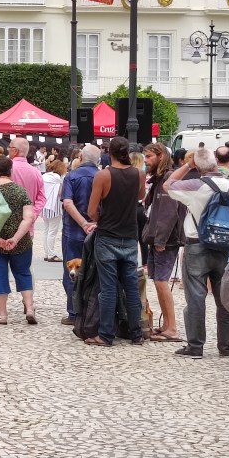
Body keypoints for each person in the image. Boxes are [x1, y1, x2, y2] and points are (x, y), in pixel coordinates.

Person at [164, 147, 229, 359]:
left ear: (198, 167)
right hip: (226, 245)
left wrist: (188, 165)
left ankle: (195, 345)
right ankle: (226, 346)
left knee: (196, 296)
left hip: (197, 244)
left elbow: (168, 184)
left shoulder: (196, 185)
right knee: (224, 297)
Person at [83, 136, 146, 347]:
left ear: (109, 152)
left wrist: (102, 219)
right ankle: (136, 332)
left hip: (108, 235)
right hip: (129, 236)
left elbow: (92, 211)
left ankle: (106, 334)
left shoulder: (103, 175)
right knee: (131, 287)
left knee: (108, 288)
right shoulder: (139, 174)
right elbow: (140, 197)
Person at [0, 155, 37, 325]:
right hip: (21, 241)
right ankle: (29, 308)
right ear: (11, 170)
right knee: (23, 272)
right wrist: (15, 238)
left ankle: (3, 314)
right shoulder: (20, 190)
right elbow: (28, 218)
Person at [142, 143, 185, 342]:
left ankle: (172, 328)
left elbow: (169, 212)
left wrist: (160, 239)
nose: (146, 160)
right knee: (159, 281)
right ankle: (167, 325)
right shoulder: (160, 179)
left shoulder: (169, 178)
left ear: (160, 156)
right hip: (158, 237)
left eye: (149, 156)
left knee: (161, 281)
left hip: (166, 240)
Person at [60, 145, 100, 326]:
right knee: (94, 271)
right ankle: (91, 312)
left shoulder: (72, 176)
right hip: (97, 230)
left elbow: (67, 203)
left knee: (72, 271)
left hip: (73, 231)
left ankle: (74, 313)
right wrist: (95, 223)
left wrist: (83, 223)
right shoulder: (102, 176)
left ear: (81, 157)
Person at [9, 137, 46, 221]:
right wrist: (33, 215)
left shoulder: (6, 168)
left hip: (6, 221)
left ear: (15, 151)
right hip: (28, 221)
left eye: (9, 147)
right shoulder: (36, 172)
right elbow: (42, 198)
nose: (8, 150)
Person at [40, 160, 66, 262]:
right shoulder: (58, 179)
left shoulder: (44, 176)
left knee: (46, 231)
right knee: (52, 232)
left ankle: (47, 253)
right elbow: (60, 193)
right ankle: (51, 254)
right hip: (54, 207)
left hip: (44, 206)